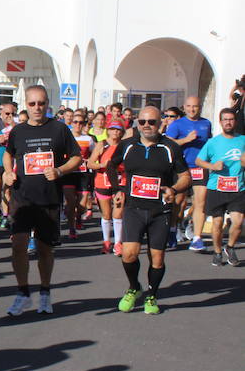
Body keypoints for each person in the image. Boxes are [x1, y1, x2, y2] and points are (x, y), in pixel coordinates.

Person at [2, 85, 81, 316]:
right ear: (26, 105)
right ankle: (23, 293)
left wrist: (60, 171)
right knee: (18, 246)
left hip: (49, 198)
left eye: (42, 103)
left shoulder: (59, 129)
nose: (37, 108)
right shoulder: (18, 131)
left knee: (45, 250)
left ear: (48, 104)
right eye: (33, 104)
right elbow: (8, 153)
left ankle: (45, 293)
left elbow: (77, 157)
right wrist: (8, 171)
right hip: (22, 198)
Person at [108, 106, 190, 315]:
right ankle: (134, 287)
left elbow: (186, 177)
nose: (146, 126)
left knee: (157, 258)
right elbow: (111, 166)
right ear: (137, 123)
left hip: (159, 211)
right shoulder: (127, 145)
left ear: (160, 123)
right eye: (142, 122)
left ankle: (152, 295)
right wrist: (117, 189)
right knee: (128, 254)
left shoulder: (170, 148)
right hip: (133, 208)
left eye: (151, 122)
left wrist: (173, 189)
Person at [195, 108, 245, 266]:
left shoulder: (243, 140)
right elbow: (198, 161)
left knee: (238, 222)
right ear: (221, 121)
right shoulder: (213, 142)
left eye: (231, 119)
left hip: (238, 187)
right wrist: (212, 166)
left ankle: (229, 247)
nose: (228, 122)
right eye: (225, 119)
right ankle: (217, 251)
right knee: (217, 223)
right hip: (217, 188)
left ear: (235, 121)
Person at [166, 95, 212, 251]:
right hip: (181, 168)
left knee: (201, 202)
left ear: (200, 107)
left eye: (196, 106)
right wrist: (185, 140)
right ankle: (172, 230)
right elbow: (168, 144)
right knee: (178, 202)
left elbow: (208, 144)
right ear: (184, 107)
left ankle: (197, 238)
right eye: (189, 106)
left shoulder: (206, 123)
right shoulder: (177, 124)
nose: (192, 109)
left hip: (200, 168)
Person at [88, 122, 127, 255]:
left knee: (118, 214)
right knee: (106, 214)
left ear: (122, 132)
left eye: (118, 130)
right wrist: (103, 165)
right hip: (102, 182)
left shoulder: (125, 145)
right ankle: (106, 242)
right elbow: (90, 163)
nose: (115, 132)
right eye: (112, 129)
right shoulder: (102, 144)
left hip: (120, 182)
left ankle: (118, 243)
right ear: (108, 131)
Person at [64, 112, 97, 240]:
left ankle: (78, 218)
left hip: (83, 174)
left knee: (82, 204)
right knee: (71, 203)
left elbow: (94, 154)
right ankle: (72, 228)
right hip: (68, 174)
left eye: (81, 122)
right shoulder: (65, 137)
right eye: (75, 122)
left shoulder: (88, 139)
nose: (78, 125)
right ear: (71, 123)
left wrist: (91, 162)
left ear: (84, 124)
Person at [0, 102, 18, 229]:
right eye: (7, 113)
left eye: (12, 114)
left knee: (7, 190)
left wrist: (13, 125)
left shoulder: (17, 127)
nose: (9, 116)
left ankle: (6, 215)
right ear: (1, 113)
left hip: (10, 164)